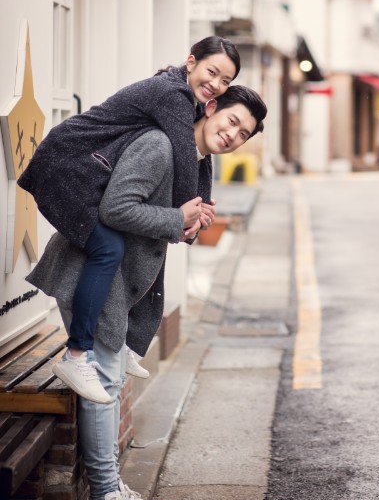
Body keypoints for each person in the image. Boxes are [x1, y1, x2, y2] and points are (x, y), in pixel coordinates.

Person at [26, 86, 267, 500]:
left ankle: (110, 486)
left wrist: (187, 224)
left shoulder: (194, 160)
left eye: (244, 133)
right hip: (92, 274)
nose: (233, 134)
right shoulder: (159, 146)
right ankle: (101, 499)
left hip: (119, 281)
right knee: (103, 378)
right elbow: (116, 209)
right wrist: (176, 218)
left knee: (110, 379)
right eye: (232, 120)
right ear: (211, 108)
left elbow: (162, 221)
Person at [18, 37, 240, 404]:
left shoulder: (188, 103)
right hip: (67, 165)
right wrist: (185, 215)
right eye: (211, 72)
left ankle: (117, 347)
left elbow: (198, 157)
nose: (215, 84)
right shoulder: (173, 95)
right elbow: (187, 155)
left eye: (225, 81)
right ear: (191, 62)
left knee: (123, 246)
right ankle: (75, 356)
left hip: (86, 170)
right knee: (109, 248)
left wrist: (195, 213)